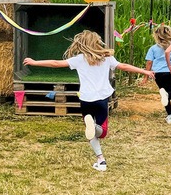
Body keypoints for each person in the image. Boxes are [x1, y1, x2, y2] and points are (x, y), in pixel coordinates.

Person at [23, 30, 154, 172]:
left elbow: (55, 63)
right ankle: (99, 151)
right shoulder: (107, 58)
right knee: (101, 132)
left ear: (82, 44)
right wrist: (145, 71)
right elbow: (124, 66)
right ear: (97, 42)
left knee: (90, 131)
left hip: (86, 100)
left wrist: (35, 62)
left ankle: (101, 159)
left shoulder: (79, 59)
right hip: (102, 99)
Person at [142, 25, 171, 124]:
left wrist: (146, 76)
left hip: (157, 74)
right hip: (169, 72)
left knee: (165, 96)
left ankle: (170, 115)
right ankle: (169, 111)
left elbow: (149, 62)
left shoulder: (153, 48)